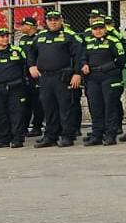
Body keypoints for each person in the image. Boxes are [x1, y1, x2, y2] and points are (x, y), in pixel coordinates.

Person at [28, 10, 86, 148]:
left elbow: (79, 55)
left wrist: (77, 73)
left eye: (56, 19)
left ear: (61, 21)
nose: (53, 22)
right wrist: (31, 66)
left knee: (65, 107)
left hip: (63, 77)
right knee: (48, 107)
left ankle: (67, 136)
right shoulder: (40, 36)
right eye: (50, 20)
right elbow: (31, 52)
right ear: (46, 22)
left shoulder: (69, 36)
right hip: (45, 77)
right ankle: (50, 136)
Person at [81, 18, 126, 146]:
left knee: (110, 107)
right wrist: (84, 64)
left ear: (105, 29)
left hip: (109, 77)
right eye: (95, 29)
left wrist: (105, 68)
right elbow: (83, 57)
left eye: (101, 28)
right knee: (95, 107)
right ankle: (96, 135)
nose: (98, 31)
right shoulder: (89, 42)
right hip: (92, 78)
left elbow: (121, 60)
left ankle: (110, 135)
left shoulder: (113, 41)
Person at [16, 17, 44, 139]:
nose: (21, 27)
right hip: (24, 74)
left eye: (23, 25)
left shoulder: (39, 37)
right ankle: (24, 127)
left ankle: (37, 126)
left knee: (37, 102)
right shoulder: (22, 39)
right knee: (25, 102)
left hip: (37, 74)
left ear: (30, 26)